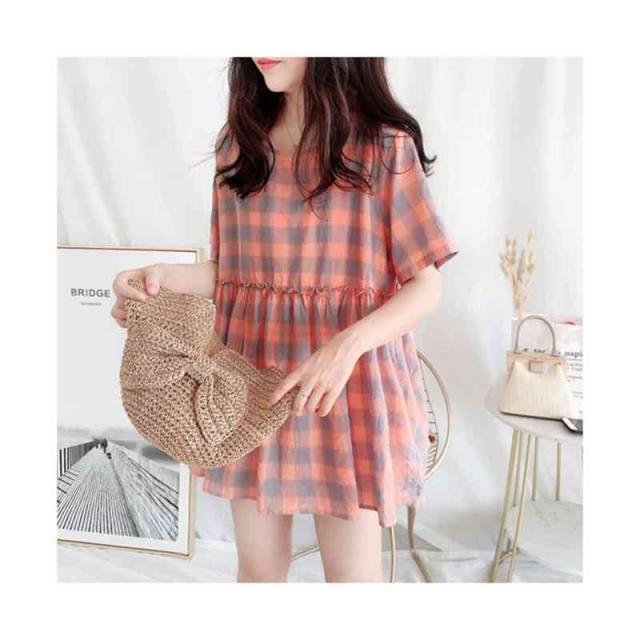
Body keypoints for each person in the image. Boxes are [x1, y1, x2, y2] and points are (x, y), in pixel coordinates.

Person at [112, 57, 457, 582]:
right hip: (250, 387)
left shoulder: (383, 148)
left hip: (347, 393)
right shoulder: (241, 147)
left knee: (352, 579)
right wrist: (160, 277)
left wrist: (343, 348)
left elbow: (425, 284)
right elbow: (236, 274)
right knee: (258, 572)